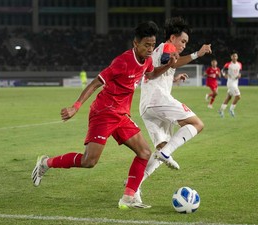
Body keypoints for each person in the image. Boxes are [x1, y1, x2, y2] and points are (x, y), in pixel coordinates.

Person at [31, 21, 178, 209]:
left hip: (121, 115)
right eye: (146, 45)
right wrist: (76, 106)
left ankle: (128, 197)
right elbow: (95, 83)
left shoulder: (147, 60)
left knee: (144, 152)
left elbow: (150, 74)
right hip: (104, 112)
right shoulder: (122, 62)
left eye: (152, 45)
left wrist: (169, 68)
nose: (150, 49)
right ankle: (46, 163)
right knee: (89, 161)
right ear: (135, 43)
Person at [137, 17, 212, 203]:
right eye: (183, 41)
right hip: (158, 100)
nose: (184, 45)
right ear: (172, 37)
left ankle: (134, 187)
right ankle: (166, 152)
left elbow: (162, 67)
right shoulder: (167, 46)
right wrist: (198, 54)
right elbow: (173, 61)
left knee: (162, 148)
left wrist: (174, 78)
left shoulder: (160, 50)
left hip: (146, 107)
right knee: (197, 124)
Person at [218, 52, 242, 118]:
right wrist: (224, 75)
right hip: (231, 83)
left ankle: (221, 110)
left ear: (237, 57)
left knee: (229, 97)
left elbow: (239, 72)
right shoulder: (228, 64)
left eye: (235, 56)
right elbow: (222, 70)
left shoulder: (239, 64)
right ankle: (231, 109)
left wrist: (239, 75)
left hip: (236, 82)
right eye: (233, 56)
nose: (234, 57)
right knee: (238, 96)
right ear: (231, 57)